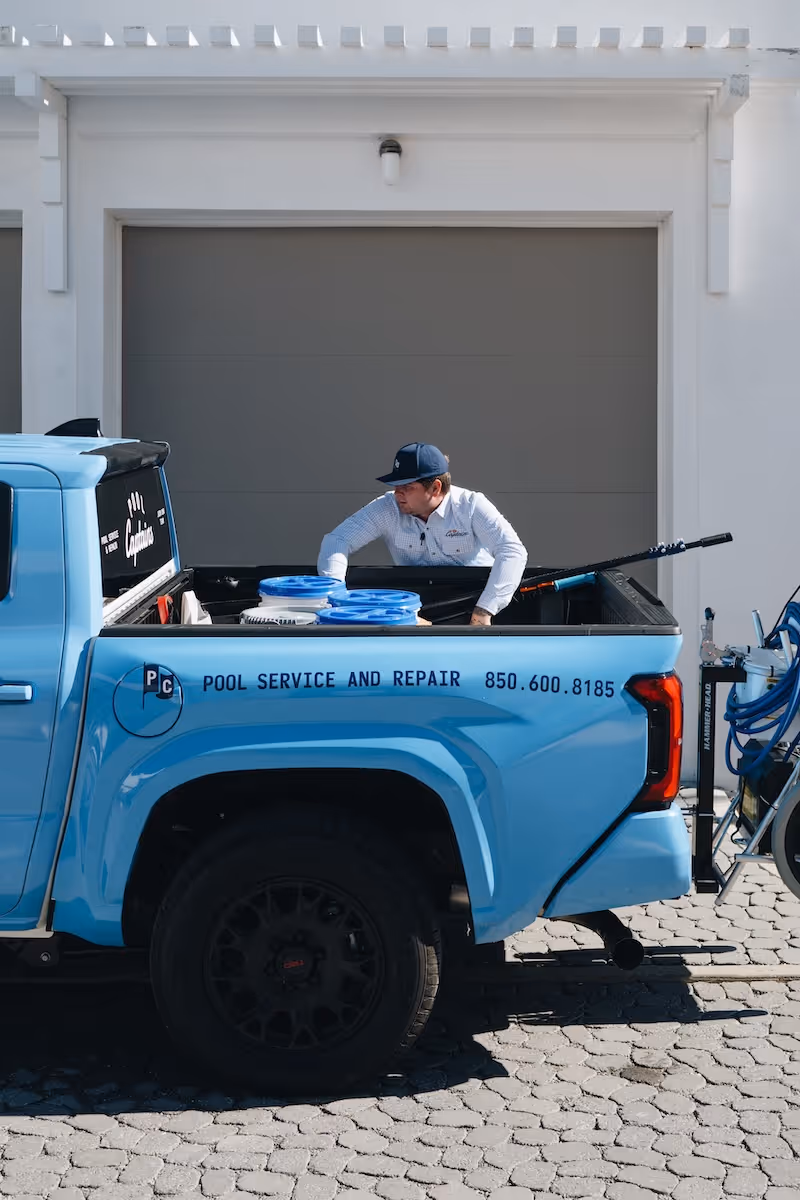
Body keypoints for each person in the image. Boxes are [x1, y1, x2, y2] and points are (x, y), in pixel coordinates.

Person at [317, 443, 528, 625]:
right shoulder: (387, 507)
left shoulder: (471, 506)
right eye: (395, 485)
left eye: (407, 487)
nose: (397, 493)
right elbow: (338, 540)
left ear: (436, 487)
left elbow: (512, 551)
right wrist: (334, 598)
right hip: (412, 611)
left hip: (473, 604)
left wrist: (485, 609)